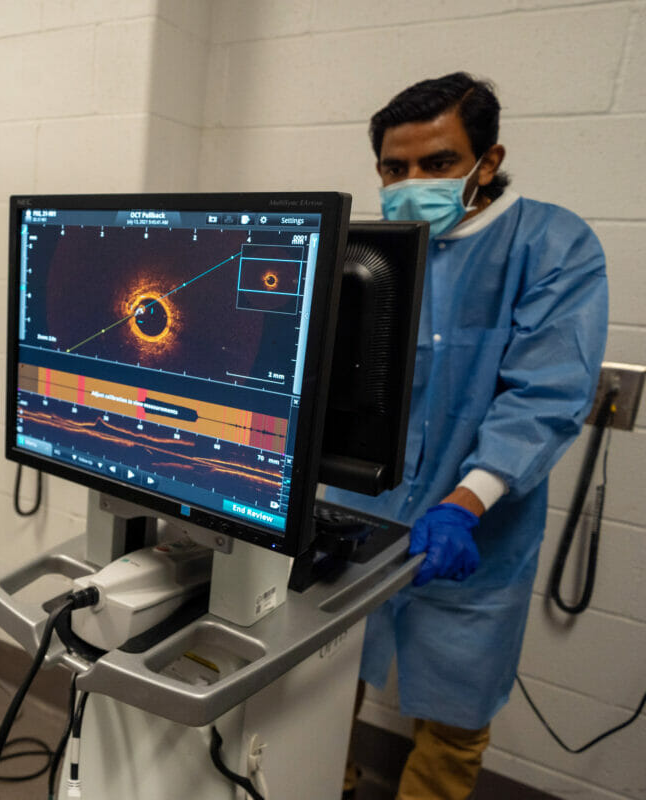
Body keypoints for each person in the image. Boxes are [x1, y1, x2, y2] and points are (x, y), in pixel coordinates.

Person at [328, 72, 609, 799]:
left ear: (487, 161)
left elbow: (546, 394)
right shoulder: (367, 247)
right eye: (395, 168)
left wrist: (466, 500)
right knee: (324, 684)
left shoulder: (551, 245)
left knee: (454, 721)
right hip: (357, 515)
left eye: (438, 163)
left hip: (476, 534)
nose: (412, 181)